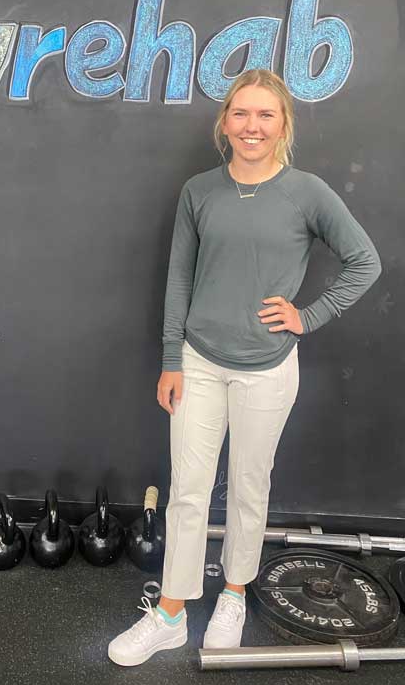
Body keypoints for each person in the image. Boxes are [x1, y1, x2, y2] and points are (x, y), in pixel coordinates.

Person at [108, 68, 382, 667]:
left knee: (249, 487)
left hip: (267, 368)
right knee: (188, 488)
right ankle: (172, 613)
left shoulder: (306, 191)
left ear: (283, 124)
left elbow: (366, 261)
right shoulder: (199, 191)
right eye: (241, 113)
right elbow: (179, 278)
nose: (251, 126)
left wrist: (309, 315)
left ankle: (233, 595)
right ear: (224, 122)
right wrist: (171, 359)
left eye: (265, 115)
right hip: (200, 364)